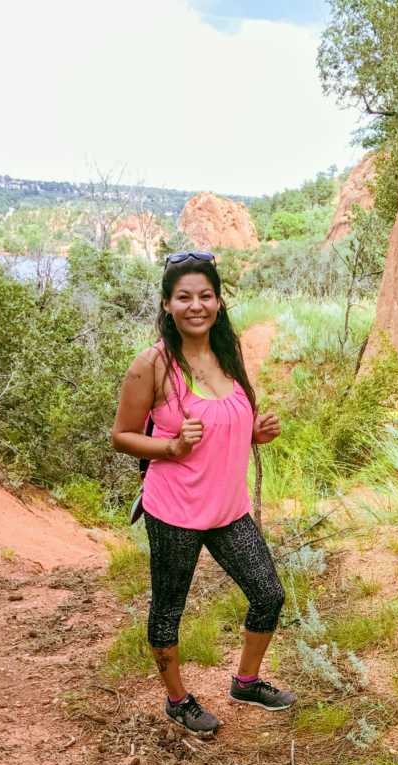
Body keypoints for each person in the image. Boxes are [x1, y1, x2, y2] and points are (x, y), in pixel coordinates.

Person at [111, 250, 295, 736]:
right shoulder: (151, 364)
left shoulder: (228, 351)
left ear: (218, 301)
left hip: (228, 509)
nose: (197, 305)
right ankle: (178, 700)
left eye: (206, 295)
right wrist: (170, 447)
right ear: (167, 304)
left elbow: (228, 421)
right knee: (169, 609)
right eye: (184, 297)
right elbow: (122, 435)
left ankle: (247, 681)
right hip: (174, 510)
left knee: (268, 594)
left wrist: (257, 432)